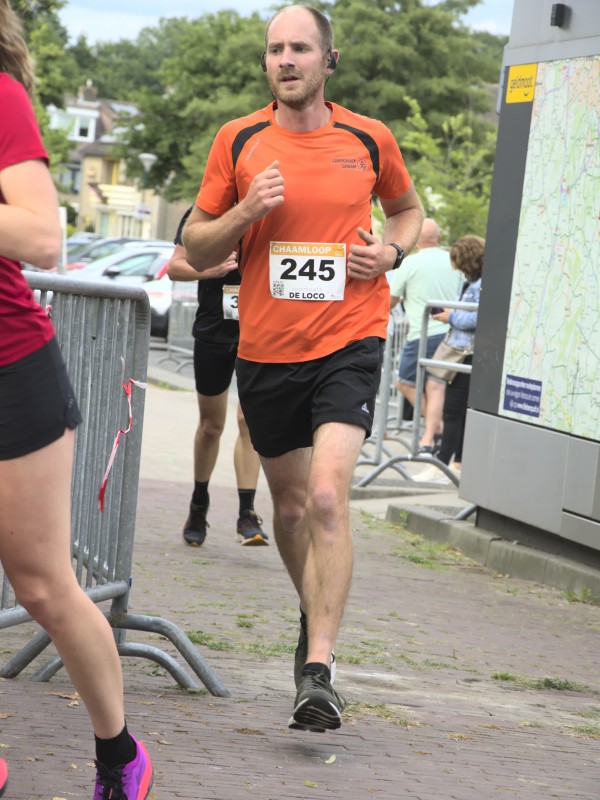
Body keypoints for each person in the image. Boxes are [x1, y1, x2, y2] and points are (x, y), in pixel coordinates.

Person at [182, 4, 424, 732]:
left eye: (299, 48)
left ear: (328, 60)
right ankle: (314, 612)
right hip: (267, 349)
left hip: (350, 337)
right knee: (288, 510)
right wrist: (245, 212)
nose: (285, 60)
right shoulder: (238, 140)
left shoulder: (369, 137)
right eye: (274, 50)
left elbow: (408, 211)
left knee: (324, 497)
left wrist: (391, 253)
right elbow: (196, 246)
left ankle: (318, 669)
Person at [0, 3, 153, 797]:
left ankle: (119, 755)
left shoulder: (1, 99)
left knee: (41, 585)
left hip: (10, 370)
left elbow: (40, 236)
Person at [167, 207, 268, 547]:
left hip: (260, 330)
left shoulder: (272, 208)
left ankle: (247, 514)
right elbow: (174, 267)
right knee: (212, 426)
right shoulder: (205, 211)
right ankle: (199, 505)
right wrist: (209, 270)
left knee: (249, 422)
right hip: (214, 329)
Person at [389, 218, 463, 453]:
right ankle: (435, 432)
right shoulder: (454, 261)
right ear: (437, 238)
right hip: (452, 333)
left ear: (416, 240)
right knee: (436, 386)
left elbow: (391, 300)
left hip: (422, 334)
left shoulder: (410, 263)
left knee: (405, 382)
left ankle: (435, 429)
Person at [431, 234, 484, 471]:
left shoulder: (479, 284)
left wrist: (450, 316)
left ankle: (443, 464)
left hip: (467, 351)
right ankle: (457, 463)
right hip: (467, 350)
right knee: (460, 411)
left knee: (453, 410)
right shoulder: (477, 281)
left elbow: (478, 317)